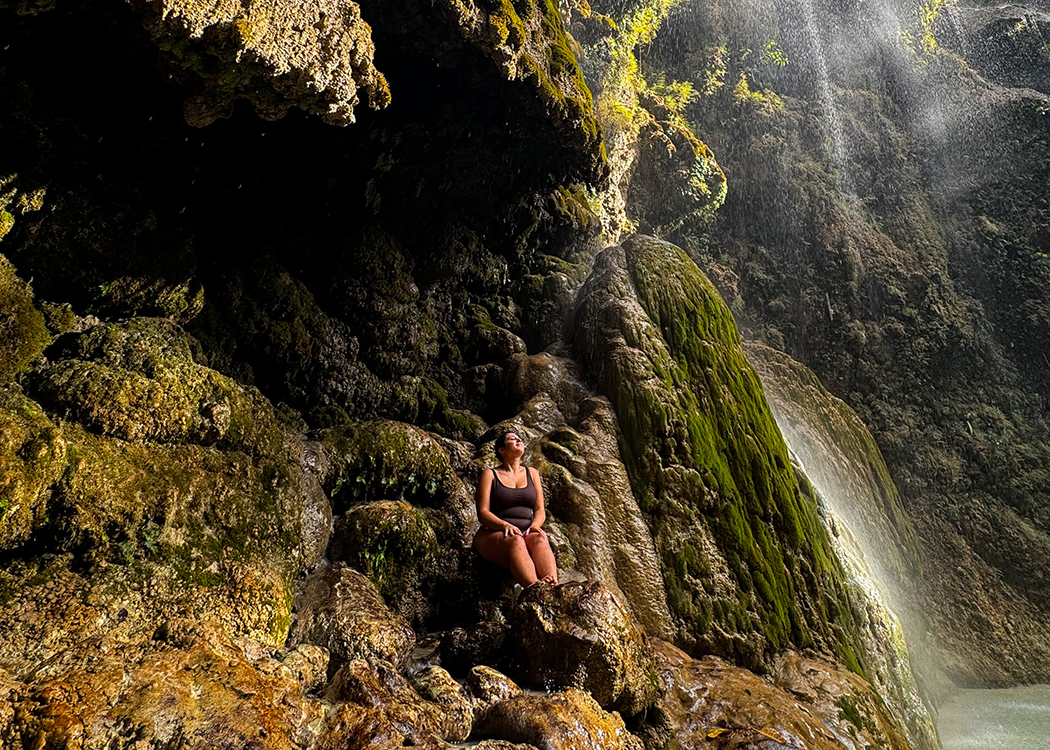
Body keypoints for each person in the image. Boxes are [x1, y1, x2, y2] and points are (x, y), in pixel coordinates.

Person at [473, 430, 558, 587]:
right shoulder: (490, 474)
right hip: (494, 534)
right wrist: (504, 525)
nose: (519, 440)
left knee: (540, 538)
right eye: (513, 439)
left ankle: (553, 588)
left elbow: (539, 509)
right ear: (502, 450)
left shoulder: (532, 473)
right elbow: (482, 512)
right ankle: (535, 590)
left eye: (520, 439)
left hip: (525, 531)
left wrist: (535, 525)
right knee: (516, 541)